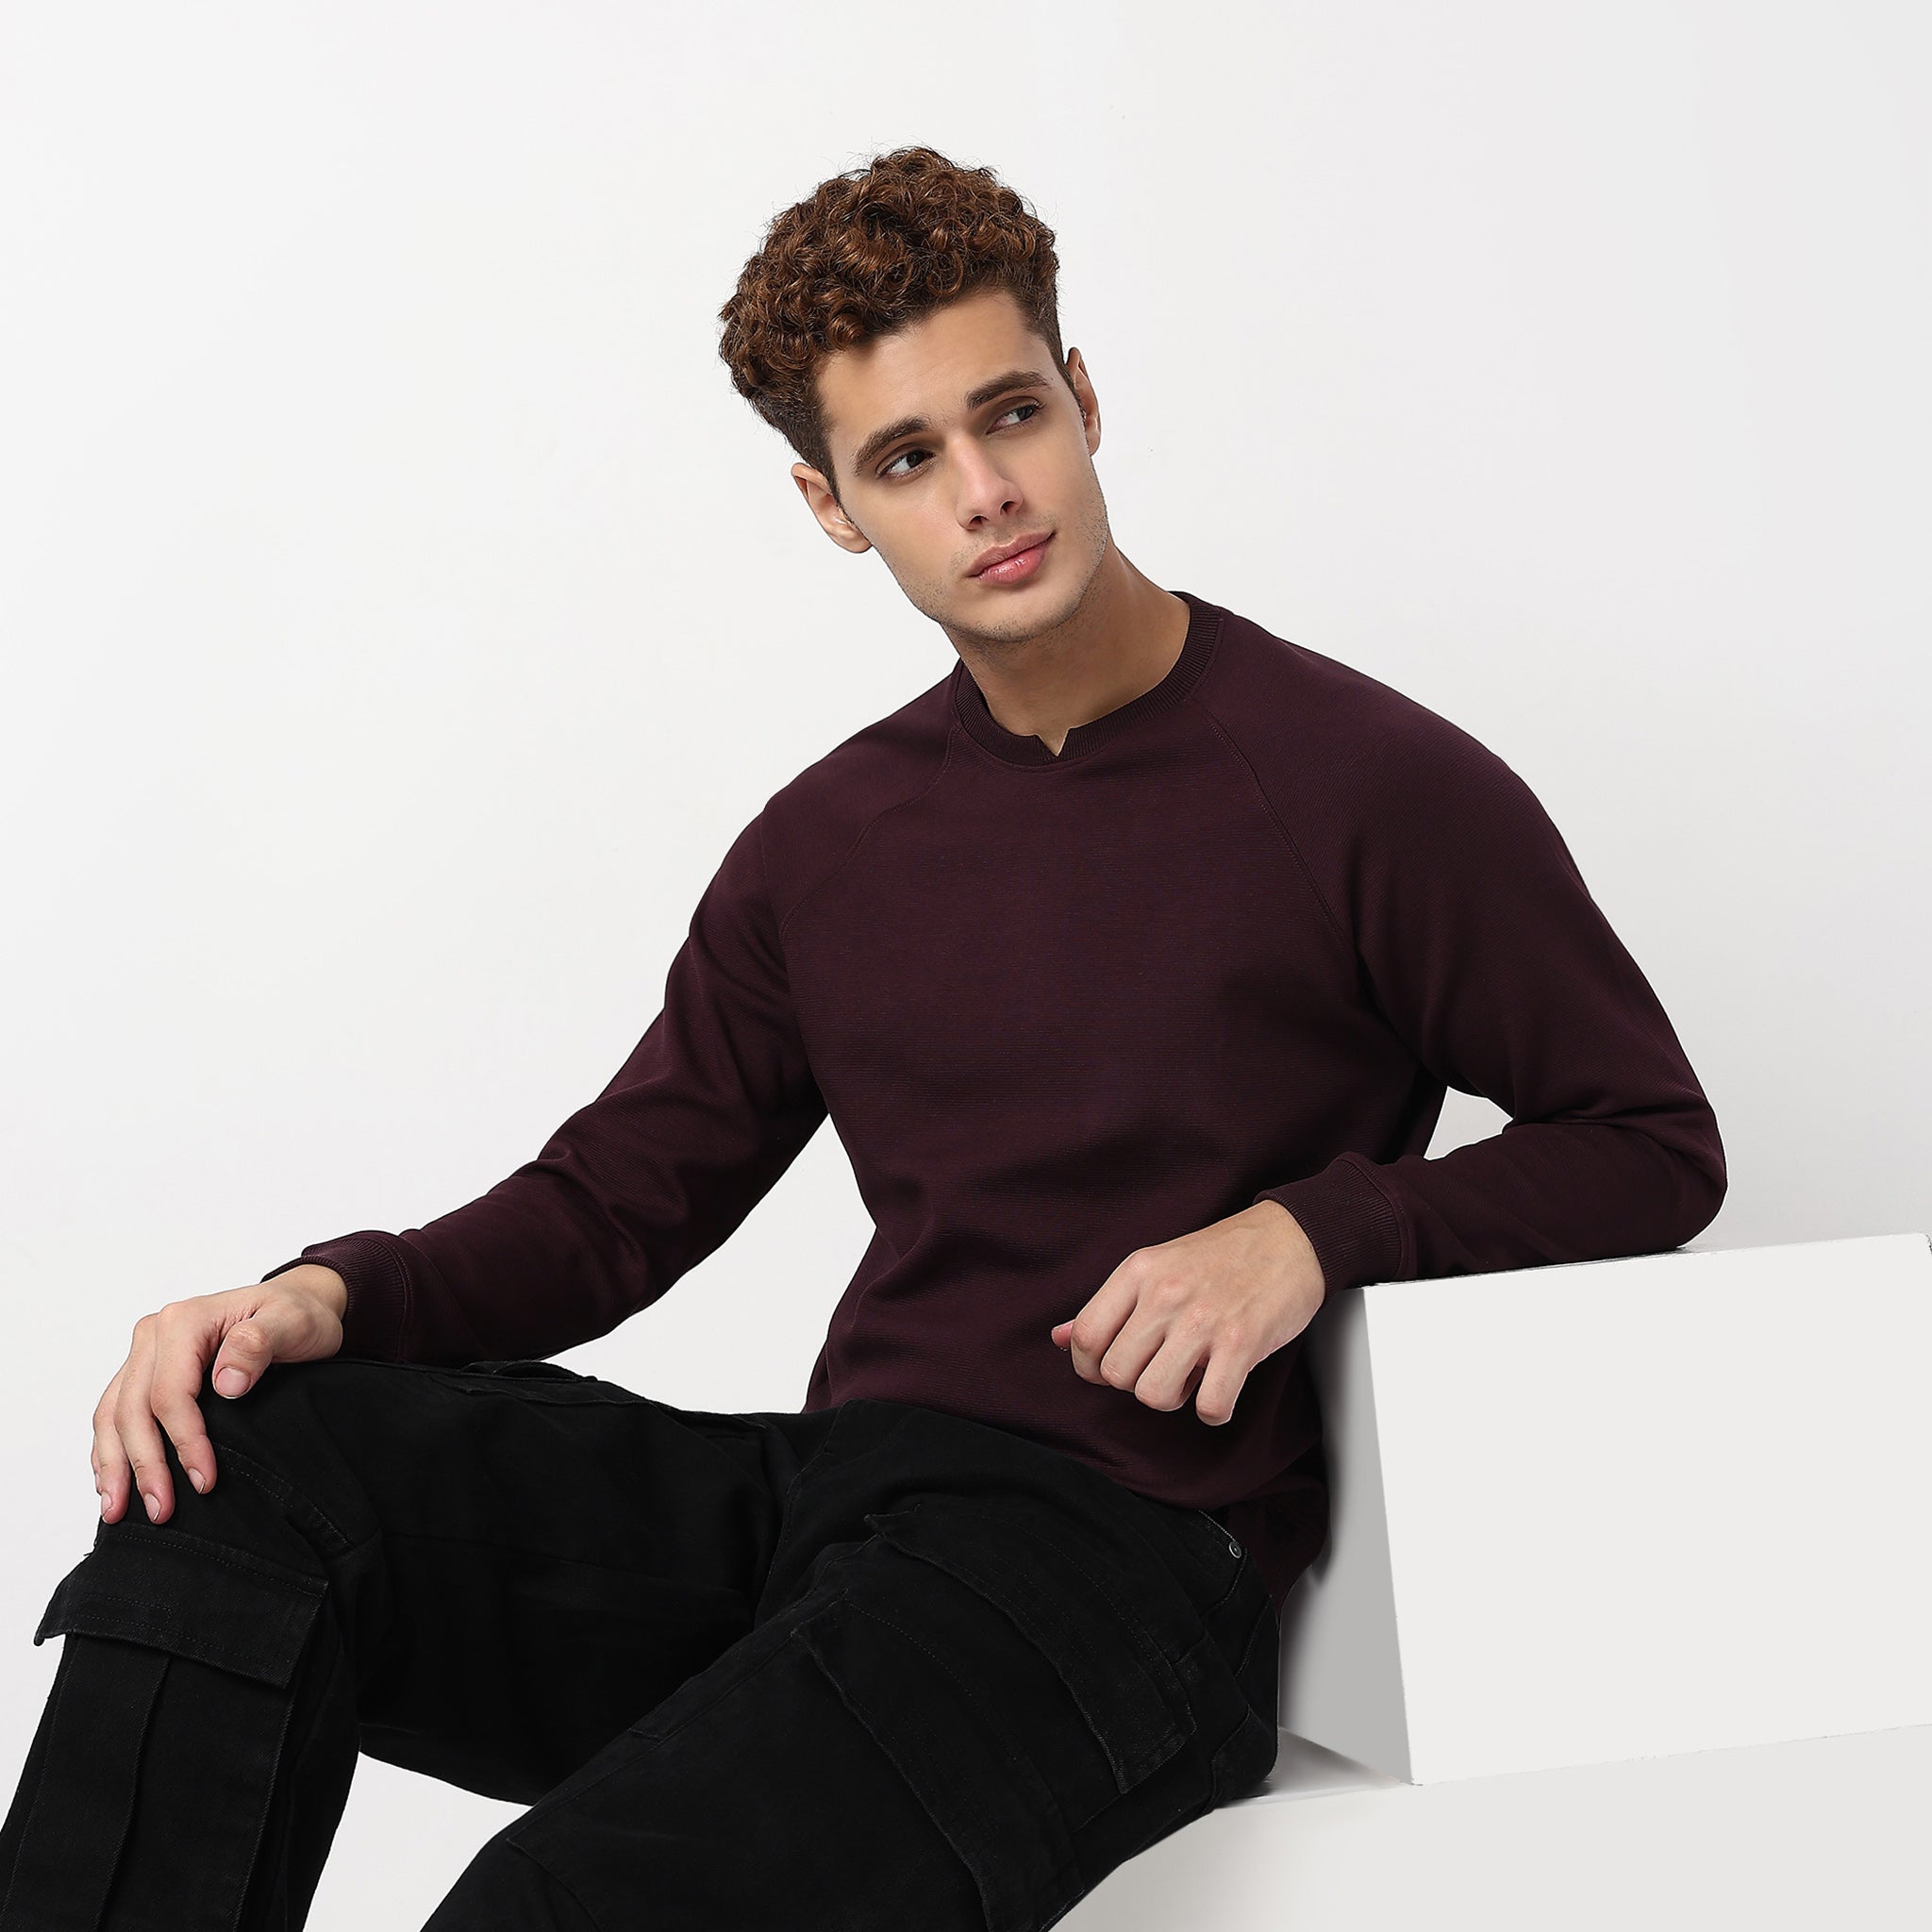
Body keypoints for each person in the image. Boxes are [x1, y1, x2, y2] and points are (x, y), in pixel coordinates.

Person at [0, 144, 1725, 1930]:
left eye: (1013, 414)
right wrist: (326, 1295)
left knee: (556, 1908)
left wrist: (1309, 1232)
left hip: (1117, 1574)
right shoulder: (829, 844)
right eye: (907, 458)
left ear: (1085, 401)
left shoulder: (1365, 783)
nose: (986, 493)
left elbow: (1652, 1140)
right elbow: (617, 1203)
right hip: (842, 1515)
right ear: (832, 506)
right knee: (247, 1470)